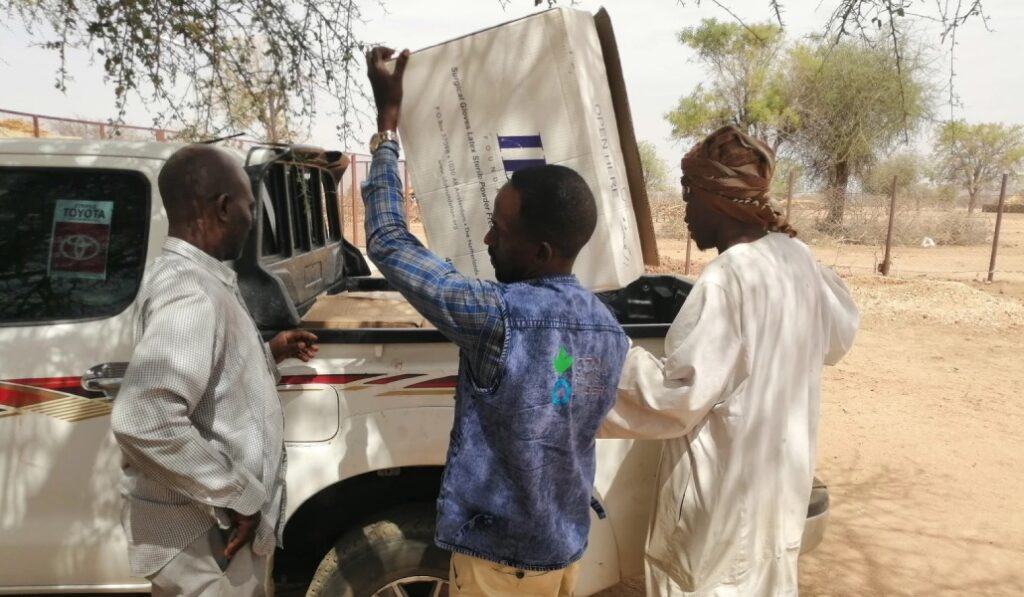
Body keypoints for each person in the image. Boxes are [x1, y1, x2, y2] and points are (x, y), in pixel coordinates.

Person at [362, 47, 629, 596]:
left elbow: (389, 241)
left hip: (499, 564)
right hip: (562, 548)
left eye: (500, 231)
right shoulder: (611, 332)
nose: (487, 240)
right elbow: (561, 408)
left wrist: (387, 129)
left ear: (541, 249)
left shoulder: (498, 318)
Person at [599, 125, 859, 597]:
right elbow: (838, 336)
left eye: (689, 198)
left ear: (714, 197)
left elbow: (674, 398)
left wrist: (601, 358)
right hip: (776, 496)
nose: (685, 214)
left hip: (720, 511)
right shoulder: (798, 259)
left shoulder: (727, 279)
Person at [111, 144, 319, 597]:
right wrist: (236, 495)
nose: (251, 219)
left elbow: (210, 381)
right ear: (223, 208)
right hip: (206, 534)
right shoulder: (190, 292)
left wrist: (267, 354)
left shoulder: (196, 279)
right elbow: (144, 418)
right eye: (248, 206)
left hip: (215, 528)